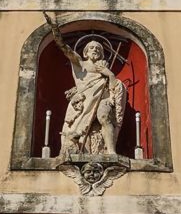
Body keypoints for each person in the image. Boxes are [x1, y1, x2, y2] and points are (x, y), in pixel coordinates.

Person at [44, 12, 126, 155]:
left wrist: (110, 74)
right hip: (84, 101)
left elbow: (114, 88)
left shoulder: (104, 69)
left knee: (105, 116)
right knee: (77, 130)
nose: (95, 50)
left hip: (104, 99)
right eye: (92, 48)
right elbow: (64, 48)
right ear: (86, 52)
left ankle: (111, 151)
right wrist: (55, 30)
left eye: (98, 49)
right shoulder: (80, 63)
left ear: (101, 53)